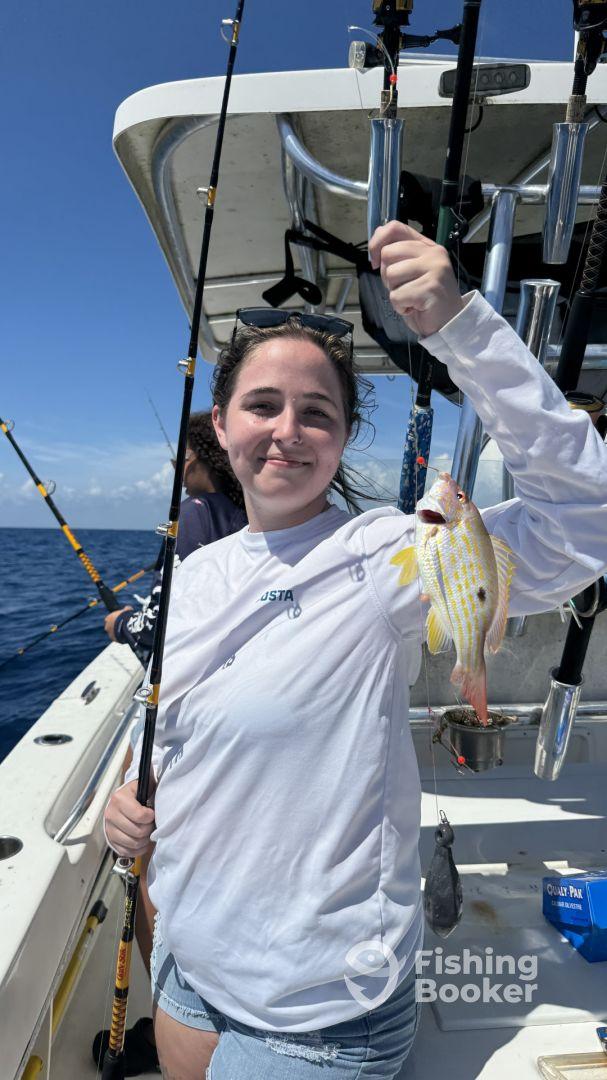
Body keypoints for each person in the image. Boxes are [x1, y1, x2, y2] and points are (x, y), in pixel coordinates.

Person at [104, 221, 607, 1080]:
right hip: (191, 964)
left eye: (317, 413)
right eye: (262, 406)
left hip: (318, 1008)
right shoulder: (198, 571)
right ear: (220, 427)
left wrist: (462, 329)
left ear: (341, 439)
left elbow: (584, 517)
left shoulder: (384, 554)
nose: (286, 431)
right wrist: (133, 796)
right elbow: (190, 731)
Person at [95, 410, 247, 1075]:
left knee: (146, 866)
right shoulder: (247, 515)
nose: (173, 466)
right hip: (235, 720)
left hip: (183, 717)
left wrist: (120, 620)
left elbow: (163, 632)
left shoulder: (194, 514)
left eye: (180, 454)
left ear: (199, 458)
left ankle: (173, 1023)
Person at [104, 410, 247, 657]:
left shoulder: (194, 514)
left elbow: (158, 625)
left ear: (204, 459)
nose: (177, 470)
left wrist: (120, 623)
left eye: (182, 459)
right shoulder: (241, 512)